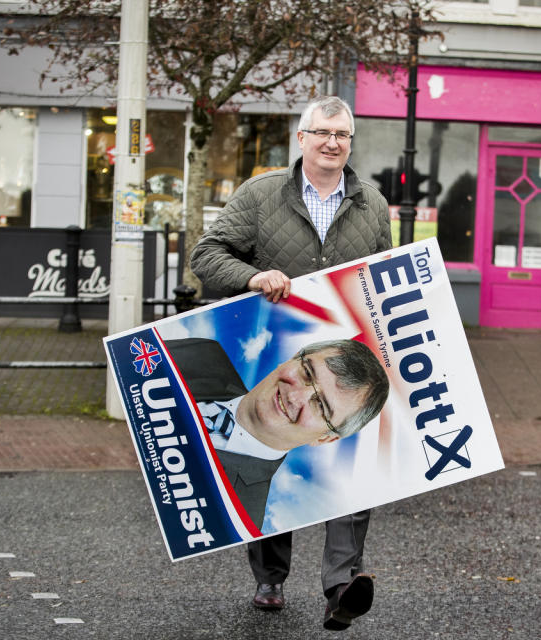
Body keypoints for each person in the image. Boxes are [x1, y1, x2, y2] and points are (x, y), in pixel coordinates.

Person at [189, 95, 391, 631]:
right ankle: (270, 576)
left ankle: (342, 586)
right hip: (287, 354)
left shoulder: (372, 203)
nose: (332, 143)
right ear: (300, 138)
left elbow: (385, 278)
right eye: (323, 132)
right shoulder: (260, 194)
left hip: (348, 366)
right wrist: (254, 277)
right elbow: (206, 256)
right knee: (267, 450)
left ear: (350, 143)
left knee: (351, 473)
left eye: (343, 136)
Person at [163, 336, 389, 528]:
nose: (295, 396)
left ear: (326, 438)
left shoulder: (237, 515)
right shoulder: (204, 354)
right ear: (292, 358)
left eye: (320, 405)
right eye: (307, 373)